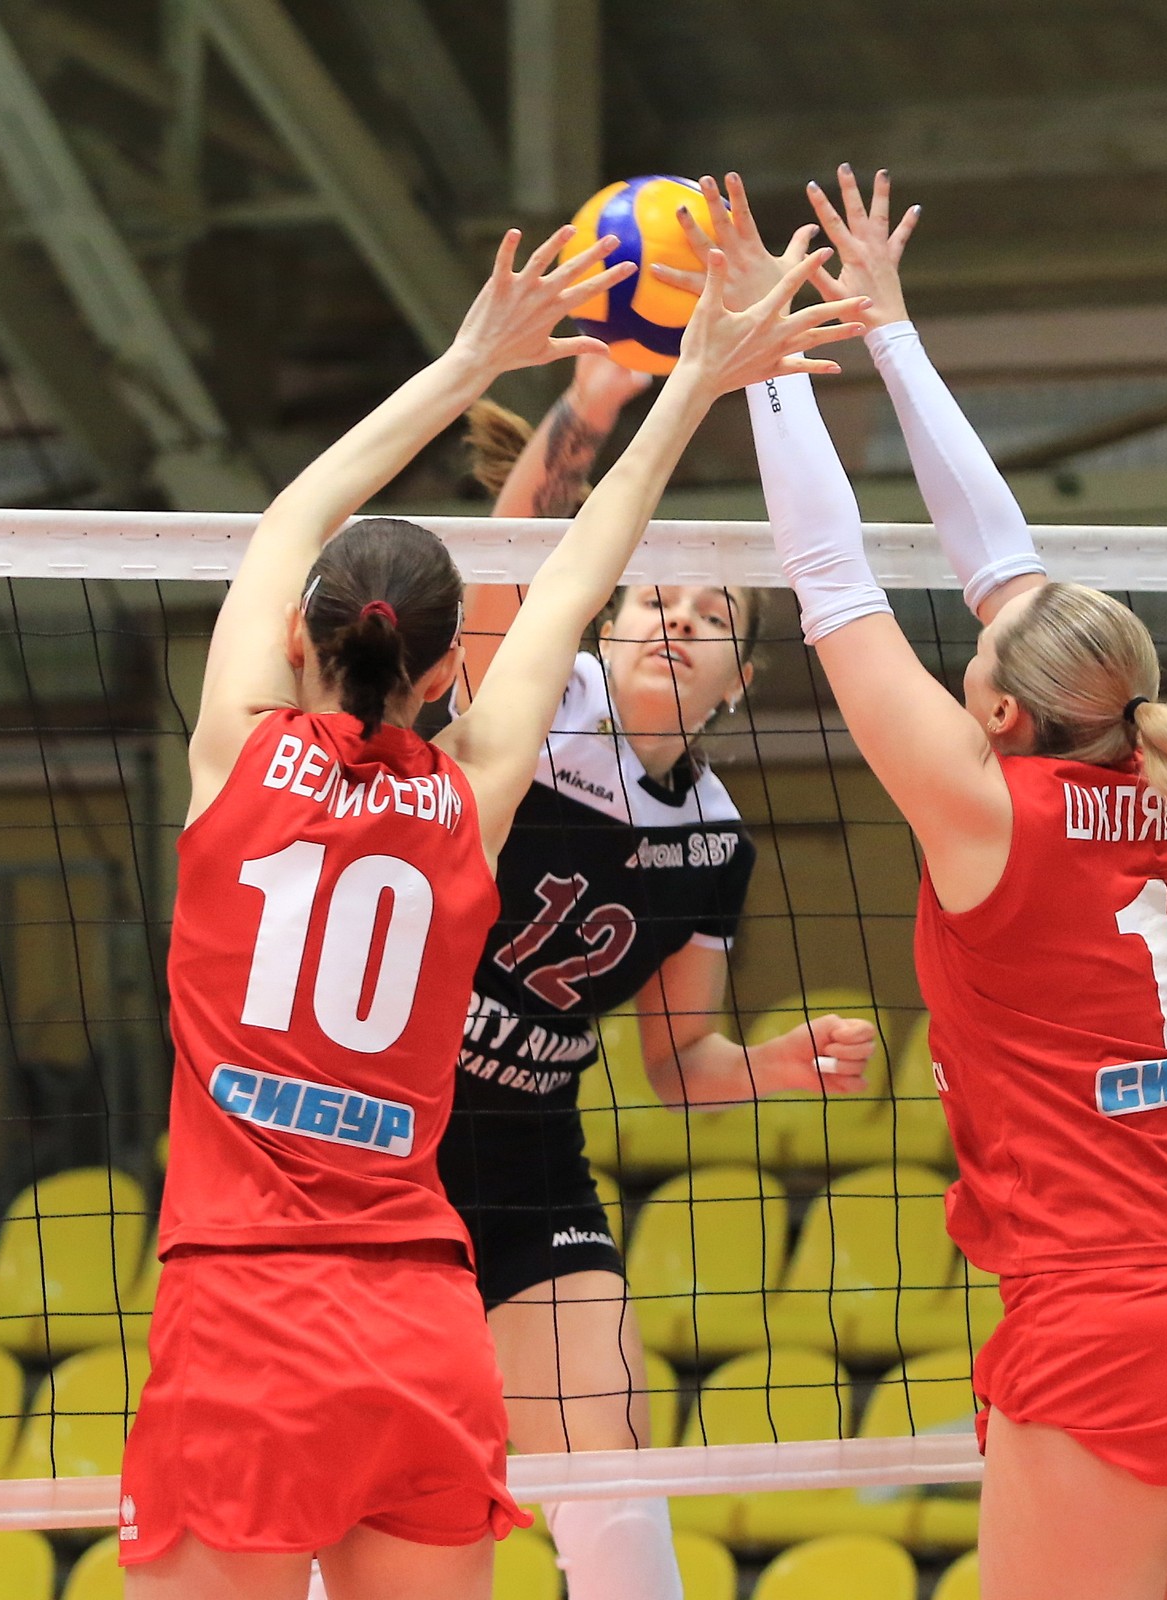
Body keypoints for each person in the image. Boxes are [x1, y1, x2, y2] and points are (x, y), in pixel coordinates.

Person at [118, 222, 863, 1600]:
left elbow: (290, 517)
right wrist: (696, 382)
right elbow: (578, 578)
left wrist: (469, 359)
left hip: (247, 1311)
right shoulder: (472, 797)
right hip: (417, 1316)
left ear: (294, 637)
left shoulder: (234, 758)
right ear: (450, 666)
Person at [732, 164, 1167, 1599]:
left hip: (1110, 1327)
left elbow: (831, 578)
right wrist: (886, 329)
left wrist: (765, 362)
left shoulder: (990, 814)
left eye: (976, 654)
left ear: (999, 709)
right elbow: (1003, 564)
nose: (972, 630)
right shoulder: (1161, 793)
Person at [440, 326, 879, 1600]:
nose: (676, 619)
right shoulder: (542, 703)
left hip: (533, 1155)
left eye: (712, 613)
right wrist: (590, 408)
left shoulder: (718, 841)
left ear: (740, 680)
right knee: (395, 1480)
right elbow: (508, 563)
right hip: (399, 1135)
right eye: (652, 599)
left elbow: (676, 1065)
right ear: (606, 624)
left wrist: (778, 1066)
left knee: (612, 1466)